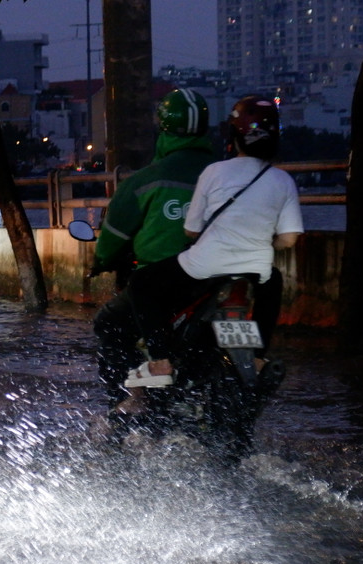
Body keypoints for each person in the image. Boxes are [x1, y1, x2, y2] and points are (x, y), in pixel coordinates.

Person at [119, 95, 302, 411]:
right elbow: (288, 239)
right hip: (254, 269)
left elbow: (191, 231)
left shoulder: (214, 172)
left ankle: (161, 362)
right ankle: (257, 358)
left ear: (233, 136)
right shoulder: (282, 180)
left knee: (140, 285)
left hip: (203, 268)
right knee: (272, 282)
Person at [91, 88, 217, 412]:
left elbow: (112, 237)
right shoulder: (227, 175)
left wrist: (101, 261)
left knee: (109, 323)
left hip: (166, 283)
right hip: (224, 278)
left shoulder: (147, 181)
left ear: (162, 128)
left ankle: (133, 400)